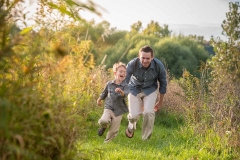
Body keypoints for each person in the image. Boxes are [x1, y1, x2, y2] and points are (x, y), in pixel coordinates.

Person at [125, 45, 167, 140]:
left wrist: (160, 102)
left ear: (152, 58)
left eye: (147, 58)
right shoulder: (132, 64)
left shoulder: (158, 65)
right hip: (134, 89)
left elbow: (163, 83)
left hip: (150, 90)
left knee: (148, 112)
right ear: (139, 56)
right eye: (142, 58)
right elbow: (125, 80)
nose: (145, 61)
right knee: (134, 116)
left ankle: (146, 139)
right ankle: (131, 126)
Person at [97, 62, 129, 143]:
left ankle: (107, 143)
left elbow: (125, 94)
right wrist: (99, 99)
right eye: (121, 71)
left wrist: (121, 91)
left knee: (113, 130)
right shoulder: (109, 84)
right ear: (115, 73)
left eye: (125, 72)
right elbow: (104, 93)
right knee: (103, 121)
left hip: (119, 110)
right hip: (109, 107)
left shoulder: (126, 86)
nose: (123, 73)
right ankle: (104, 126)